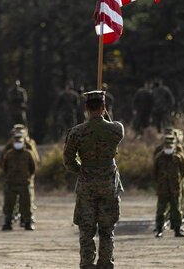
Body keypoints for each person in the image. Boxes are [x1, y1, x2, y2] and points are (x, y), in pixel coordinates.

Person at [63, 90, 124, 269]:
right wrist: (104, 116)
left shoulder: (76, 132)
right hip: (108, 186)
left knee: (86, 231)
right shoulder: (116, 129)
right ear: (104, 107)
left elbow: (68, 161)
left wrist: (82, 170)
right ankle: (105, 264)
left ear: (85, 108)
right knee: (106, 230)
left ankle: (87, 265)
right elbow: (112, 128)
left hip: (87, 186)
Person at [153, 135, 184, 238]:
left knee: (176, 209)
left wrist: (177, 181)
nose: (168, 148)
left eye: (170, 146)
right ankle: (159, 229)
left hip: (175, 189)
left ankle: (177, 229)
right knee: (161, 210)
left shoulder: (179, 158)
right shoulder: (159, 158)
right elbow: (154, 172)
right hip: (163, 189)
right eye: (167, 146)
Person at [1, 136, 37, 231]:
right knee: (9, 204)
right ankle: (8, 223)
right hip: (11, 184)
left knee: (26, 204)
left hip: (24, 183)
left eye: (20, 142)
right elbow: (4, 167)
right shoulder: (9, 154)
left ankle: (27, 223)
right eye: (16, 142)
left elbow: (33, 168)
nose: (18, 144)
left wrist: (27, 177)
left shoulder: (28, 154)